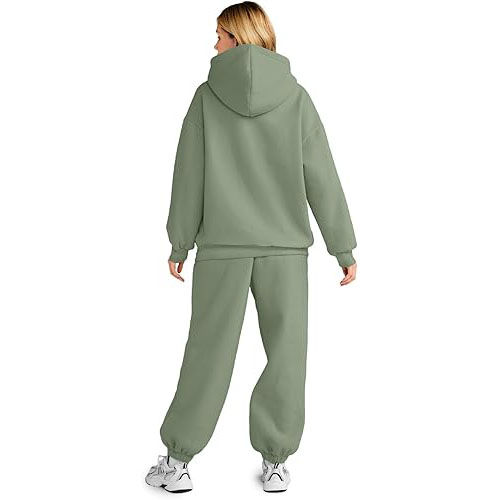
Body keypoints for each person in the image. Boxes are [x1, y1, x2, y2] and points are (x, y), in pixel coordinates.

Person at [145, 1, 357, 493]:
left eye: (220, 35)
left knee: (207, 352)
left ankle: (177, 461)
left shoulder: (205, 97)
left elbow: (189, 175)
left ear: (238, 38)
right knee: (287, 354)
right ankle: (275, 461)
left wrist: (179, 241)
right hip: (285, 251)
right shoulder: (296, 97)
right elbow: (322, 176)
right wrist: (342, 246)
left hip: (222, 248)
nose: (214, 44)